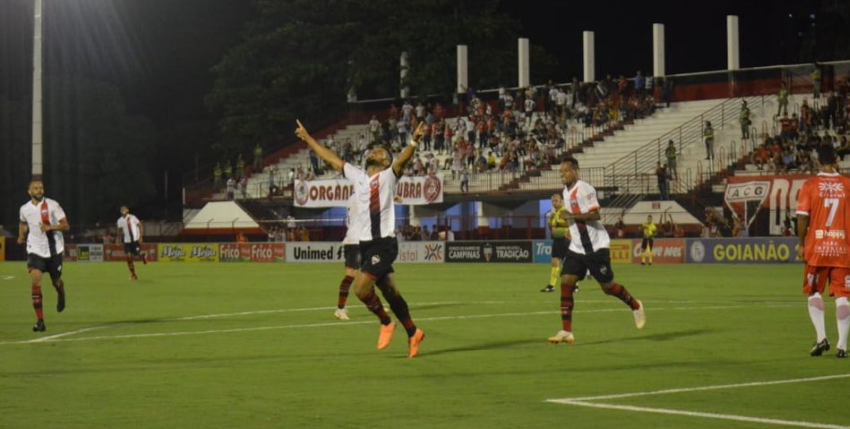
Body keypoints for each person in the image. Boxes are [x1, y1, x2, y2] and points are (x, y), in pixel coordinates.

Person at [296, 119, 426, 357]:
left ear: (385, 161)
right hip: (366, 245)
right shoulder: (358, 176)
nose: (375, 151)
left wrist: (414, 140)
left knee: (360, 288)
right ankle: (413, 332)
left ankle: (386, 323)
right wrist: (308, 138)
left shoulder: (388, 176)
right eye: (374, 150)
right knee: (390, 293)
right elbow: (330, 159)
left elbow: (403, 159)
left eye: (380, 152)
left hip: (384, 244)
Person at [548, 158, 645, 344]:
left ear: (576, 171)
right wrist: (571, 228)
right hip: (577, 247)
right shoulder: (565, 193)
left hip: (596, 246)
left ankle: (635, 305)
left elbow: (596, 214)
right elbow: (573, 219)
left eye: (566, 171)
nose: (563, 174)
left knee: (608, 288)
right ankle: (566, 331)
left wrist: (573, 217)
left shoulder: (586, 189)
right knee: (566, 282)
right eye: (561, 172)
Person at [796, 143, 850, 358]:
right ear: (836, 160)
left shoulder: (810, 185)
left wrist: (801, 244)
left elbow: (802, 217)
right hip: (843, 248)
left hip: (817, 248)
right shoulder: (847, 184)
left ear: (817, 161)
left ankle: (821, 338)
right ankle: (842, 346)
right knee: (843, 297)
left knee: (813, 291)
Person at [17, 180, 68, 332]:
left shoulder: (53, 205)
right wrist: (21, 235)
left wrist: (50, 227)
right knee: (36, 279)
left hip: (54, 250)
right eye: (35, 188)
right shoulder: (24, 209)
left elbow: (66, 225)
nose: (39, 190)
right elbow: (23, 222)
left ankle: (61, 291)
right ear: (29, 191)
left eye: (41, 188)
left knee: (56, 280)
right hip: (35, 249)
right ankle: (40, 320)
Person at [334, 195, 362, 321]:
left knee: (368, 271)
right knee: (352, 274)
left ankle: (374, 303)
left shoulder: (352, 198)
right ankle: (340, 309)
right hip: (354, 240)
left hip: (355, 239)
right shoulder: (360, 197)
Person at [541, 194, 572, 293]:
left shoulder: (564, 212)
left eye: (556, 200)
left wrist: (567, 233)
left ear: (561, 201)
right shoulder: (553, 214)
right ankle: (552, 285)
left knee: (567, 264)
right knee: (554, 262)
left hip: (564, 240)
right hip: (557, 240)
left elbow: (571, 224)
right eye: (552, 201)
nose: (554, 203)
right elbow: (551, 228)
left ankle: (574, 285)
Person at [116, 205, 148, 281]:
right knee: (129, 258)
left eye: (124, 210)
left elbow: (140, 226)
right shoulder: (119, 220)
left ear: (127, 211)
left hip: (135, 240)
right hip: (127, 242)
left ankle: (142, 256)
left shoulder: (133, 217)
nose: (123, 211)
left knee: (137, 255)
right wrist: (118, 239)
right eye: (122, 210)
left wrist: (140, 236)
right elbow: (119, 231)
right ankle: (133, 274)